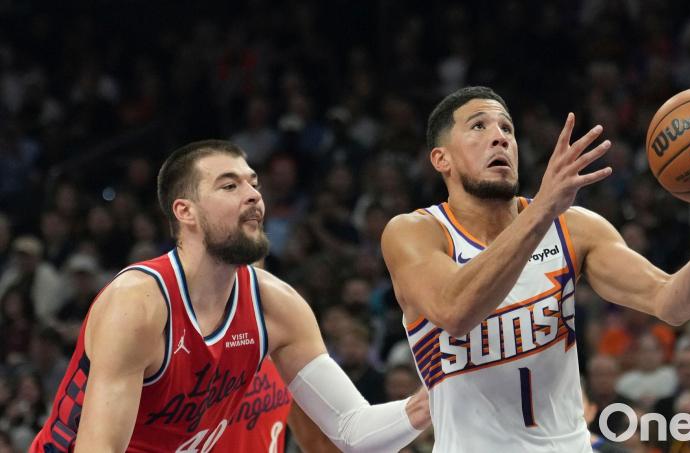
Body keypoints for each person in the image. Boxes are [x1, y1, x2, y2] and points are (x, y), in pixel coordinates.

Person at [380, 86, 690, 451]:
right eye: (478, 126)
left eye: (507, 128)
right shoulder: (415, 232)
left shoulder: (573, 227)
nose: (499, 137)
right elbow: (455, 312)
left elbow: (671, 302)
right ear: (441, 158)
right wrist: (542, 212)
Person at [30, 140, 429, 452]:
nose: (254, 195)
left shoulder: (278, 307)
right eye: (229, 185)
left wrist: (440, 391)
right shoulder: (138, 303)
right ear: (185, 212)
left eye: (254, 184)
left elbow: (351, 430)